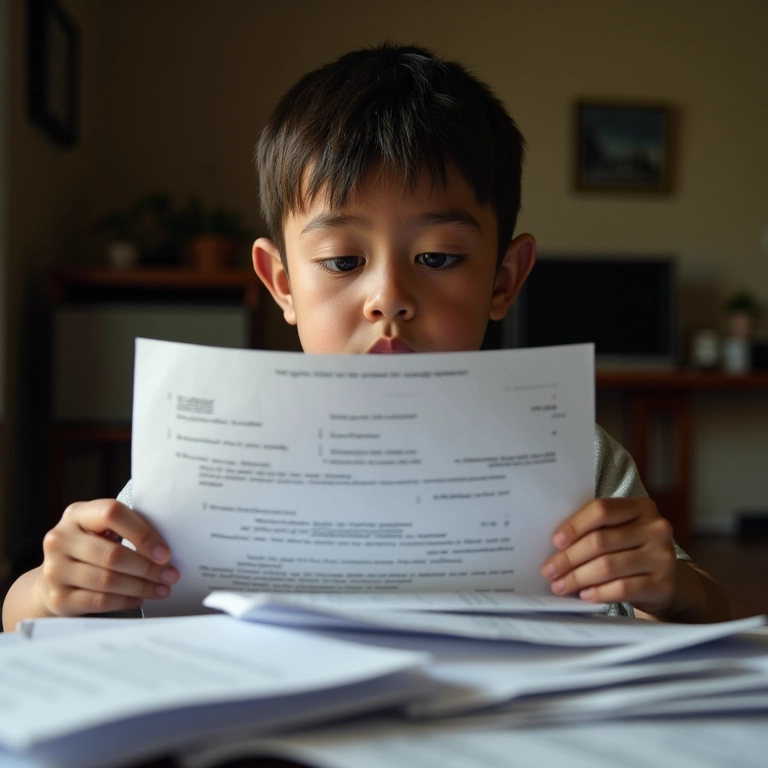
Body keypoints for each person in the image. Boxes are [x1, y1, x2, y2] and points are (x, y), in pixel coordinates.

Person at [2, 44, 729, 632]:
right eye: (343, 262)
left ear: (504, 279)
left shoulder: (572, 457)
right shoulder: (211, 455)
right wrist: (46, 590)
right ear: (282, 283)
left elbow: (705, 614)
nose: (389, 299)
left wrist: (673, 590)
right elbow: (24, 621)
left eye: (437, 258)